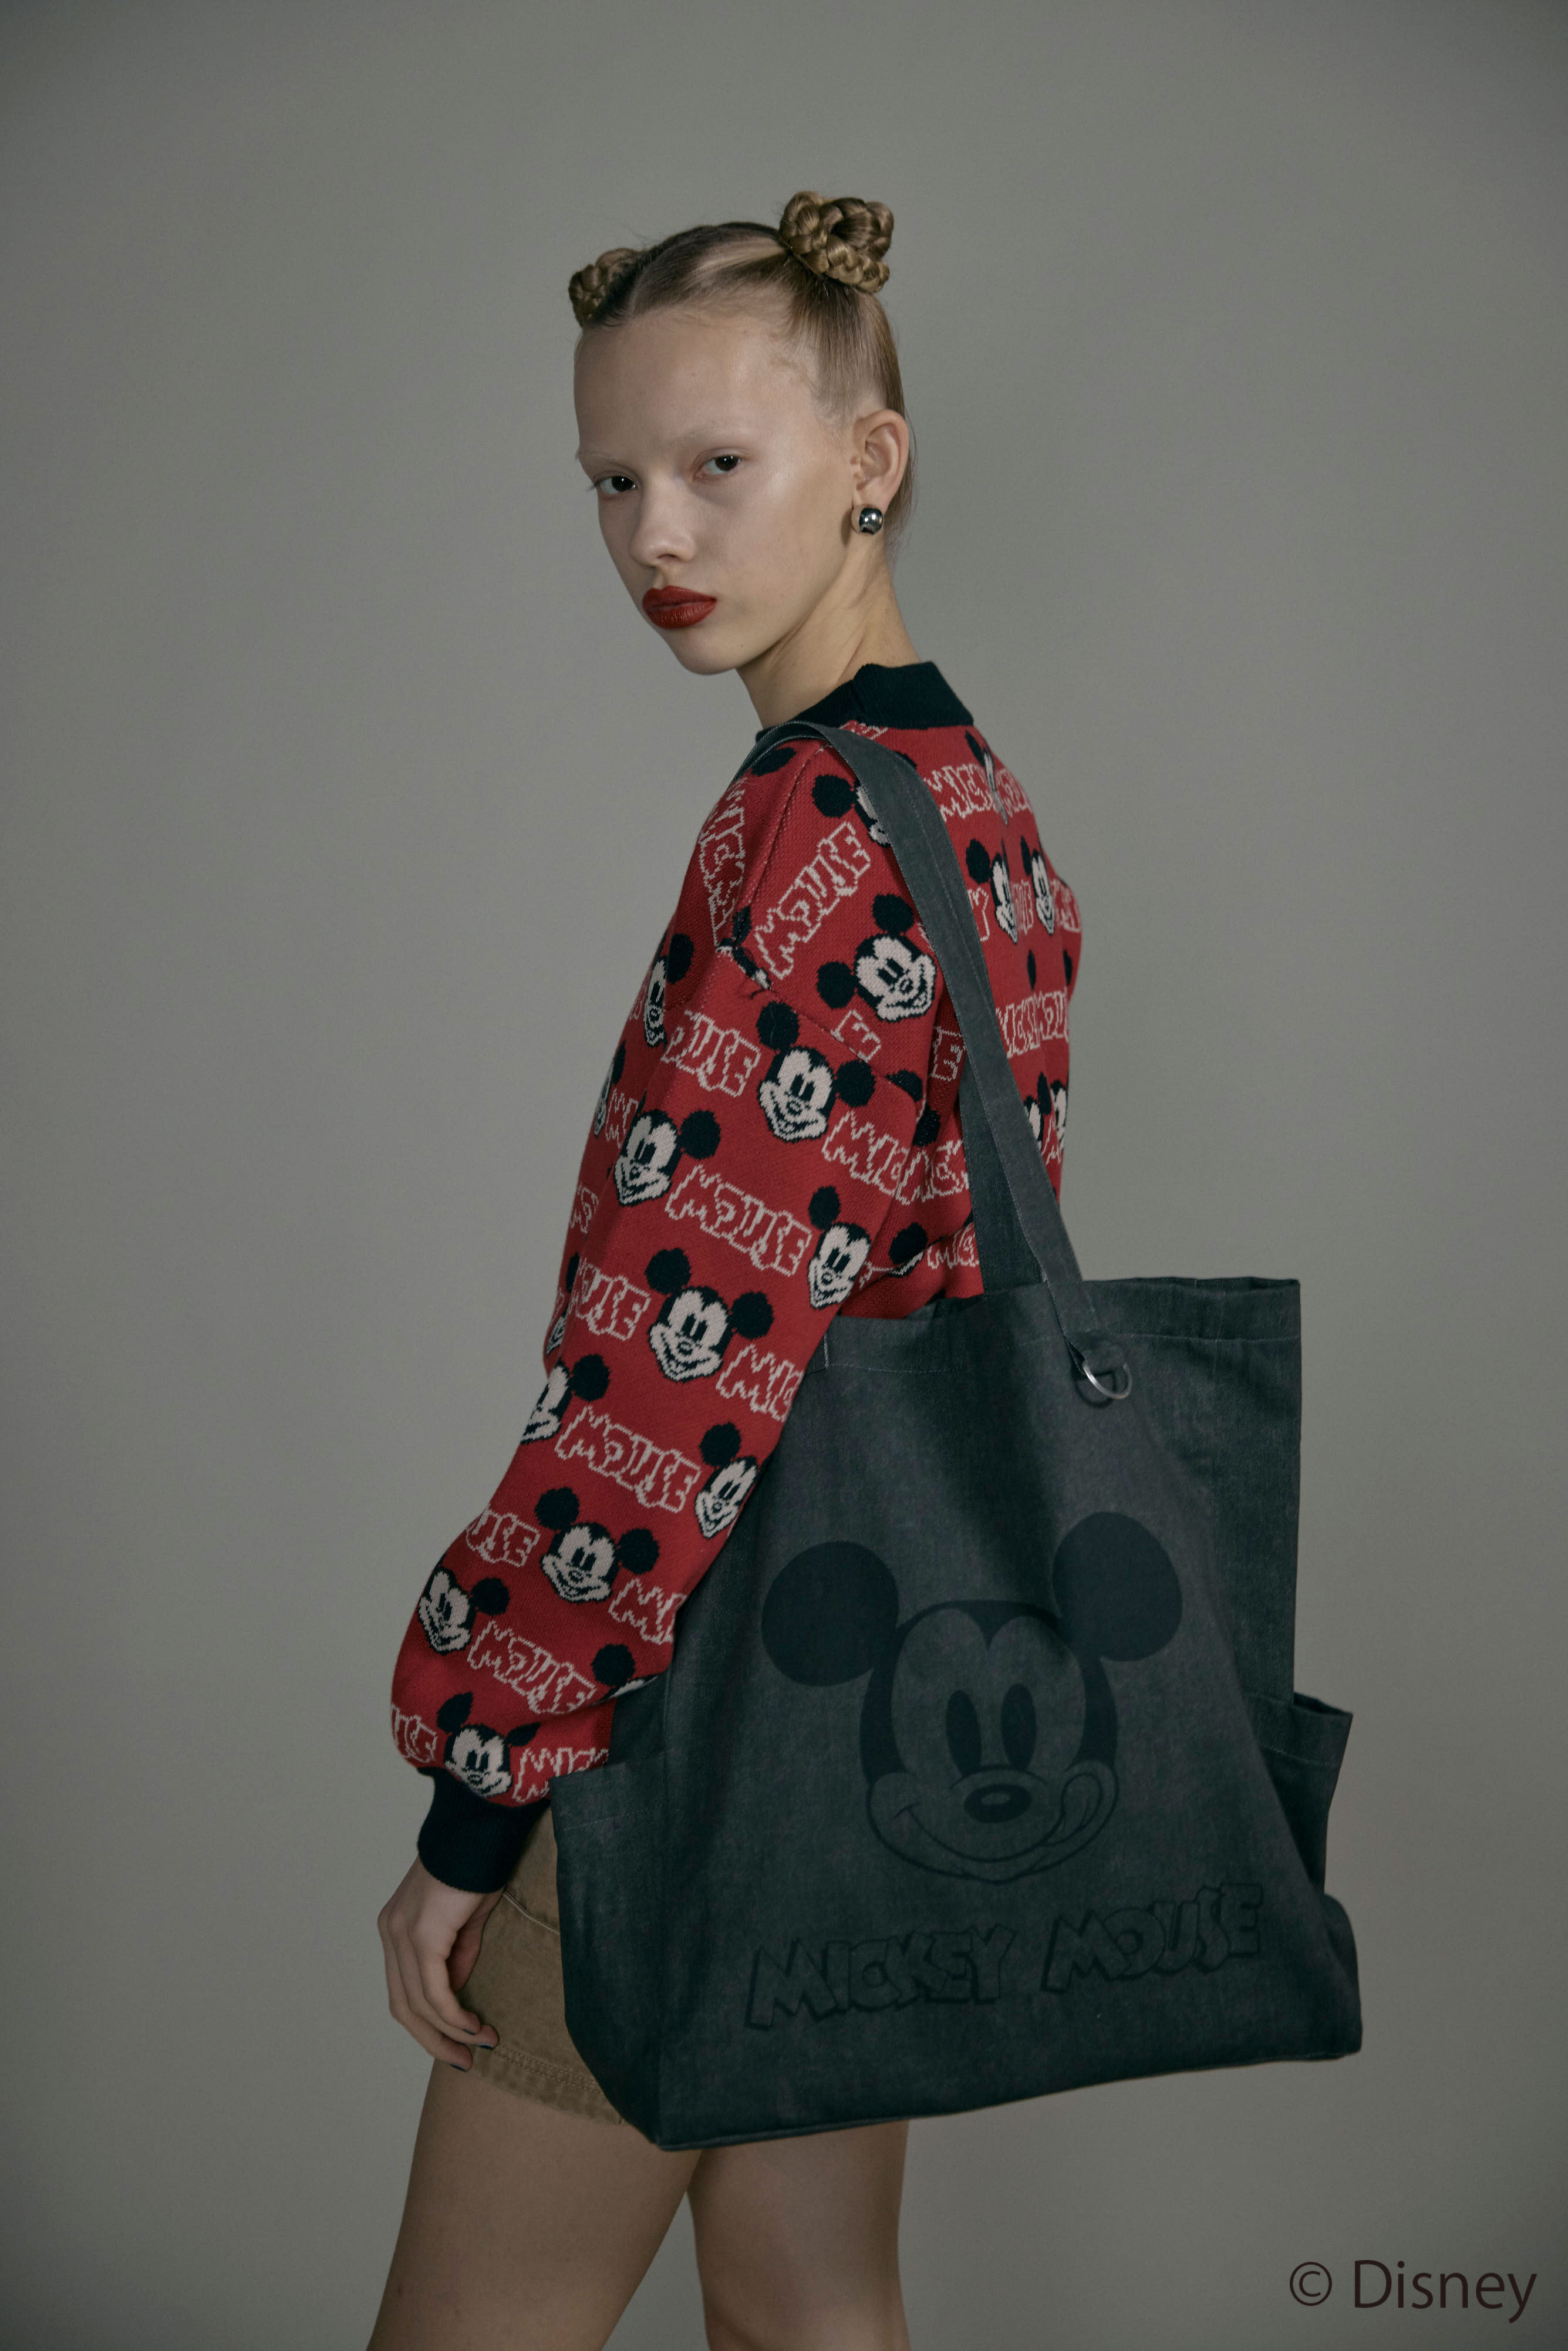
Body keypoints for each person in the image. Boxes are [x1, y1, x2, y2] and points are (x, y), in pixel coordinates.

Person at [369, 190, 1081, 2351]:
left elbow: (678, 1380)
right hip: (889, 1715)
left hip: (691, 1717)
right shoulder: (971, 802)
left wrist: (479, 1809)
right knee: (809, 2310)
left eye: (715, 464)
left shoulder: (808, 830)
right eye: (612, 479)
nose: (654, 534)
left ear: (871, 460)